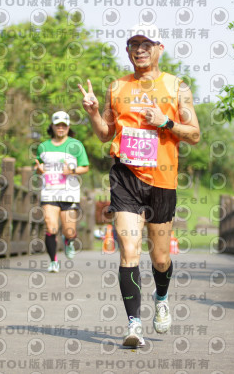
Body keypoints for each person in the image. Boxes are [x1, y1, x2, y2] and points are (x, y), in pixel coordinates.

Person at [78, 24, 201, 347]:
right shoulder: (117, 87)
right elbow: (105, 133)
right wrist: (93, 113)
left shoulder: (177, 87)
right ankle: (134, 325)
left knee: (160, 258)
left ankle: (161, 297)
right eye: (134, 43)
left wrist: (166, 122)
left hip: (162, 179)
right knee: (129, 250)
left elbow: (195, 134)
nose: (140, 49)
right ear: (128, 50)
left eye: (146, 43)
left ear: (159, 48)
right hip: (125, 177)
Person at [35, 111, 90, 273]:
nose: (60, 128)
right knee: (51, 227)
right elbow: (39, 167)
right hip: (49, 192)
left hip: (69, 193)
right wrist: (38, 170)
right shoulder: (43, 146)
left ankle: (69, 240)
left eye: (63, 125)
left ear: (68, 127)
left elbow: (85, 167)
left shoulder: (76, 145)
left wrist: (71, 171)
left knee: (69, 230)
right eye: (57, 125)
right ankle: (53, 261)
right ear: (52, 126)